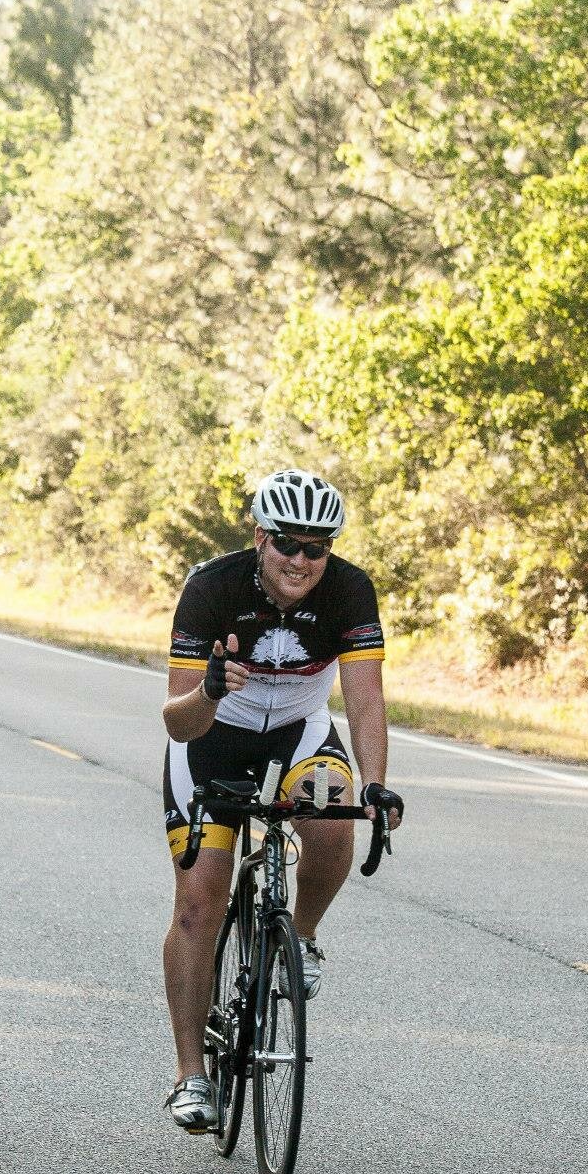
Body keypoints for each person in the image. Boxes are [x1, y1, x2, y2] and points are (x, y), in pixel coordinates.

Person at [158, 469, 404, 1133]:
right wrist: (210, 689)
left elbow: (365, 696)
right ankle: (190, 1076)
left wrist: (376, 781)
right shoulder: (211, 587)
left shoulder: (351, 589)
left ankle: (302, 933)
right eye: (288, 544)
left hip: (299, 732)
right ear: (261, 537)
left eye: (316, 548)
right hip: (211, 738)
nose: (301, 560)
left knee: (333, 813)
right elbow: (177, 722)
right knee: (197, 907)